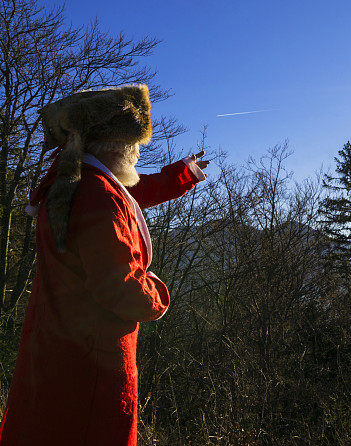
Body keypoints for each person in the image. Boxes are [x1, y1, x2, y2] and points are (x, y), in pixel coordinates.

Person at [0, 85, 209, 445]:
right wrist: (157, 292)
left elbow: (129, 193)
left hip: (59, 343)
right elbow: (120, 288)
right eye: (135, 147)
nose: (137, 156)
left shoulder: (74, 180)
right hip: (92, 358)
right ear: (117, 146)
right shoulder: (96, 196)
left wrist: (183, 174)